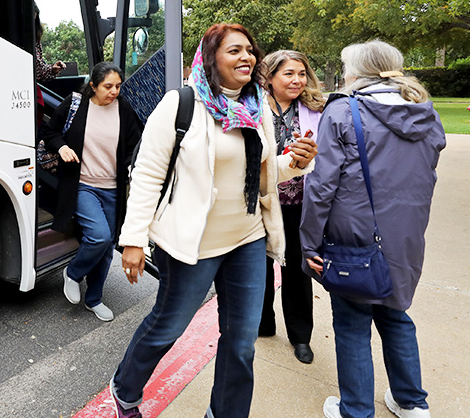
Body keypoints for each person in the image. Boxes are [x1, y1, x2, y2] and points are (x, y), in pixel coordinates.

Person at [110, 23, 318, 418]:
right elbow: (149, 174)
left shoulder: (257, 107)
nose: (246, 57)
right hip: (193, 244)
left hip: (248, 239)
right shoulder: (181, 103)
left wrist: (294, 163)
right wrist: (134, 239)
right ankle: (125, 388)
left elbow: (256, 175)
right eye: (234, 50)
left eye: (250, 50)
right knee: (167, 327)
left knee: (241, 344)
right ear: (211, 58)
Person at [301, 40, 446, 418]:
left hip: (355, 235)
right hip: (407, 235)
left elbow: (321, 186)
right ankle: (412, 403)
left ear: (357, 72)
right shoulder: (424, 110)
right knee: (395, 314)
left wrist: (308, 243)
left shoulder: (344, 110)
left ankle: (356, 410)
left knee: (351, 324)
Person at [39, 62, 142, 322]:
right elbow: (49, 131)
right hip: (83, 185)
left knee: (107, 247)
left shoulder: (124, 109)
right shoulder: (75, 104)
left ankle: (94, 299)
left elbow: (134, 144)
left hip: (113, 189)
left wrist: (131, 164)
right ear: (93, 86)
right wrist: (61, 147)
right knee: (98, 236)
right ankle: (73, 273)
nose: (114, 92)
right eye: (108, 86)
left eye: (118, 86)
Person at [257, 50, 326, 364]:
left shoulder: (316, 109)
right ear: (270, 77)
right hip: (260, 202)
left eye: (301, 73)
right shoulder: (253, 106)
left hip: (300, 204)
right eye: (289, 74)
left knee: (298, 271)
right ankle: (263, 323)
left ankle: (301, 337)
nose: (297, 80)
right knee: (259, 269)